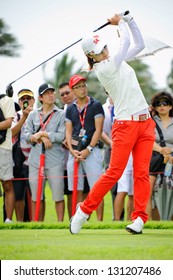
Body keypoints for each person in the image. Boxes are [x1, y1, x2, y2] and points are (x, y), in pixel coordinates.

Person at [70, 12, 155, 234]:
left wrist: (130, 20)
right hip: (125, 126)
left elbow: (139, 43)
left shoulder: (116, 61)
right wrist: (120, 23)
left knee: (142, 173)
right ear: (92, 56)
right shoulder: (105, 68)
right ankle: (83, 212)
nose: (105, 52)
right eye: (100, 52)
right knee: (114, 173)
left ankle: (139, 219)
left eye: (105, 48)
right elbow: (125, 41)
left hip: (146, 123)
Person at [65, 74, 105, 221]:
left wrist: (89, 149)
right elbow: (68, 131)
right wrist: (71, 150)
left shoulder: (96, 105)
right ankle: (78, 220)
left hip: (92, 151)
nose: (82, 89)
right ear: (73, 90)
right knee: (76, 188)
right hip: (75, 151)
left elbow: (98, 131)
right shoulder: (70, 108)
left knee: (96, 189)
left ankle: (99, 222)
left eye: (83, 85)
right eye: (78, 87)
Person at [24, 83, 65, 221]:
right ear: (40, 97)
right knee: (36, 197)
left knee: (58, 196)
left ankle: (60, 225)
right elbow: (26, 135)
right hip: (35, 161)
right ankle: (38, 224)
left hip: (55, 161)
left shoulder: (61, 114)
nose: (51, 95)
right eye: (47, 93)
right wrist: (41, 137)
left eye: (52, 92)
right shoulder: (33, 115)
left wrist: (43, 133)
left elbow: (61, 136)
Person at [146, 91, 173, 220]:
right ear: (155, 107)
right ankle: (147, 222)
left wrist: (170, 151)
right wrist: (162, 150)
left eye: (165, 103)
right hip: (154, 157)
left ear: (171, 106)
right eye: (158, 103)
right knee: (148, 192)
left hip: (172, 159)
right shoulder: (150, 121)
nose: (162, 106)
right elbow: (147, 140)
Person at [12, 89, 35, 222]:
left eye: (28, 98)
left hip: (35, 159)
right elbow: (13, 132)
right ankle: (20, 222)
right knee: (18, 194)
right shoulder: (16, 116)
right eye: (23, 99)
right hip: (20, 160)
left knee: (36, 194)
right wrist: (24, 117)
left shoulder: (39, 114)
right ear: (19, 102)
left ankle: (35, 222)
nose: (26, 101)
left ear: (34, 100)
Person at [0, 93, 15, 223]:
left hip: (3, 147)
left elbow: (8, 123)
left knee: (7, 184)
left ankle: (8, 219)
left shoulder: (7, 100)